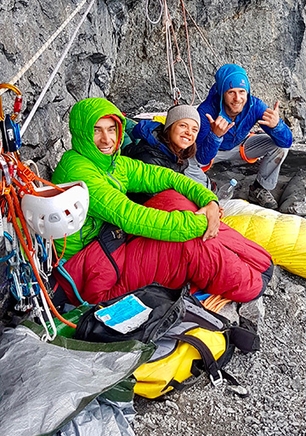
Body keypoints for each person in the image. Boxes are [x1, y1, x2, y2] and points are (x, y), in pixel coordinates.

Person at [50, 97, 272, 306]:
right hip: (89, 271)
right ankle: (250, 284)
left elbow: (165, 177)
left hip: (111, 241)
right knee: (187, 243)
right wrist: (200, 223)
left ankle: (257, 262)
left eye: (111, 129)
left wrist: (209, 201)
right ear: (82, 133)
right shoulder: (79, 171)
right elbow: (130, 216)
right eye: (96, 130)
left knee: (172, 198)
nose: (107, 139)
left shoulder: (111, 162)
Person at [196, 63, 293, 209]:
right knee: (186, 163)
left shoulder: (254, 106)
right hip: (212, 152)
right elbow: (201, 157)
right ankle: (207, 186)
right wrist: (215, 136)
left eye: (242, 91)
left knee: (280, 147)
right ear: (222, 92)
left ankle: (259, 188)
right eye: (231, 92)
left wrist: (277, 126)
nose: (238, 98)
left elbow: (287, 142)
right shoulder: (206, 112)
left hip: (240, 146)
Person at [122, 104, 212, 189]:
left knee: (129, 127)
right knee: (121, 129)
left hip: (144, 143)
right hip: (132, 150)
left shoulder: (181, 150)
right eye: (183, 126)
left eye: (194, 130)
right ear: (169, 127)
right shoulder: (150, 161)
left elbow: (203, 159)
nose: (189, 132)